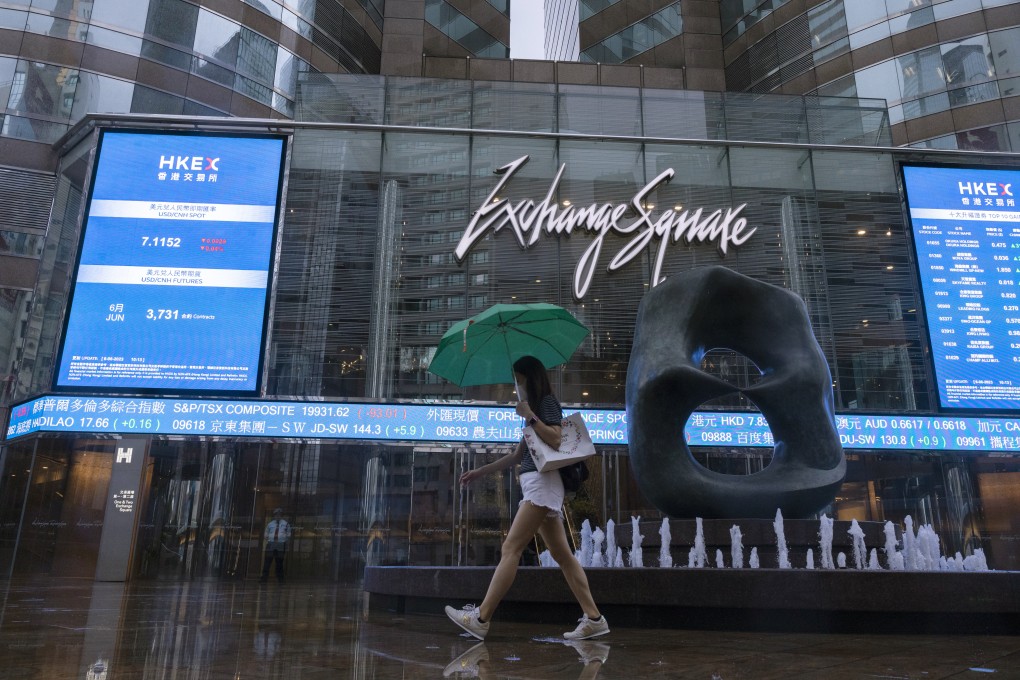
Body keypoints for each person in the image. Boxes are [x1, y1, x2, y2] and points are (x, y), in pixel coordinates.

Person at [445, 355, 608, 641]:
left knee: (511, 547)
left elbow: (556, 438)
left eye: (519, 381)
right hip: (538, 485)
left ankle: (481, 618)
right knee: (562, 555)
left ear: (530, 379)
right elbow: (517, 456)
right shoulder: (535, 408)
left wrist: (530, 415)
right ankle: (594, 618)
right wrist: (479, 472)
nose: (516, 387)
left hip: (543, 485)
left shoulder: (545, 403)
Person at [259, 508, 290, 583]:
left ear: (281, 515)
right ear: (274, 515)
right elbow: (266, 533)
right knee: (267, 562)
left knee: (279, 563)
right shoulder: (270, 524)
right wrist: (268, 538)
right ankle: (264, 579)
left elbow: (288, 534)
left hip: (280, 545)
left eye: (279, 514)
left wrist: (283, 539)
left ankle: (280, 580)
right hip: (271, 544)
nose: (277, 516)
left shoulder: (286, 524)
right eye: (276, 515)